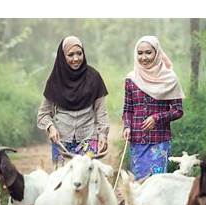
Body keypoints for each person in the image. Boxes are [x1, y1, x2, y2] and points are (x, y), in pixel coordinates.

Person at [37, 36, 109, 169]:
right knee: (63, 182)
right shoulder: (55, 80)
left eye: (79, 53)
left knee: (87, 178)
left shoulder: (94, 77)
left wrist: (103, 135)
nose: (76, 59)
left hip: (88, 138)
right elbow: (43, 114)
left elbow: (101, 111)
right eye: (70, 55)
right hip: (61, 141)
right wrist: (51, 128)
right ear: (62, 56)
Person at [122, 36, 185, 180]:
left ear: (157, 53)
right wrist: (126, 126)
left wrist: (157, 118)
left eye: (148, 53)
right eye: (140, 53)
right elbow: (128, 109)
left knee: (156, 184)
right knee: (138, 186)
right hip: (137, 141)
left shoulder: (169, 79)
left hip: (159, 141)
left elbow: (178, 110)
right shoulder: (131, 79)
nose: (144, 57)